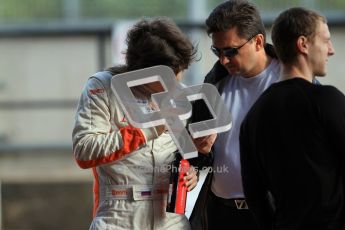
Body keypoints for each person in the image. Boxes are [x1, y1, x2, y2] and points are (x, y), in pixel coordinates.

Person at [72, 17, 199, 230]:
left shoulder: (181, 95)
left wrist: (192, 171)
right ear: (141, 71)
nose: (175, 83)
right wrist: (147, 129)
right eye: (166, 78)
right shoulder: (103, 86)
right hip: (119, 214)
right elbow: (84, 151)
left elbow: (187, 154)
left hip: (170, 217)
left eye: (179, 73)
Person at [239, 7, 344, 230]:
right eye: (326, 40)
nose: (331, 50)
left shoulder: (253, 116)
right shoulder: (327, 100)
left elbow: (254, 194)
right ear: (303, 44)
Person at [189, 0, 281, 229]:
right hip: (221, 213)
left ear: (258, 41)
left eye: (231, 50)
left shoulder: (291, 78)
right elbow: (198, 158)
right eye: (217, 51)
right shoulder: (214, 83)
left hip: (276, 213)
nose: (223, 59)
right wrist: (200, 152)